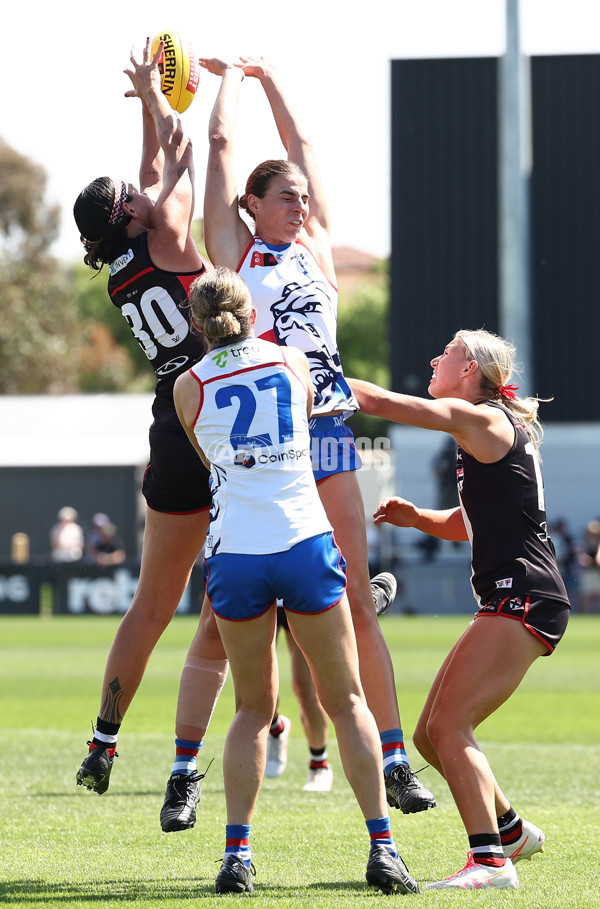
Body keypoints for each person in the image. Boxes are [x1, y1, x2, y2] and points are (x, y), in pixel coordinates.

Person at [197, 54, 435, 814]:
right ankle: (207, 760)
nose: (300, 204)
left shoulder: (317, 248)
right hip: (269, 446)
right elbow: (220, 147)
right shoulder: (236, 255)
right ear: (252, 206)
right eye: (285, 197)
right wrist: (231, 80)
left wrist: (273, 79)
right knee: (247, 620)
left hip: (328, 427)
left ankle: (394, 761)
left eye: (304, 197)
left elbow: (306, 149)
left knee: (358, 598)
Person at [173, 266, 419, 895]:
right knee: (348, 702)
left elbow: (213, 462)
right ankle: (383, 849)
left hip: (236, 552)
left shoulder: (188, 385)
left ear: (198, 324)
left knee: (253, 709)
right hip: (303, 540)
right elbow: (302, 436)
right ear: (252, 314)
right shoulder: (292, 362)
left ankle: (236, 857)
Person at [350, 328, 571, 889]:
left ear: (470, 368)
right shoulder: (485, 426)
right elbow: (471, 520)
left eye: (446, 353)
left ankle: (490, 862)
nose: (434, 359)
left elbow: (389, 405)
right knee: (430, 735)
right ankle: (511, 832)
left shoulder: (484, 419)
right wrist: (417, 518)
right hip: (512, 596)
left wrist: (313, 376)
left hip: (524, 595)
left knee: (450, 726)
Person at [72, 39, 229, 811]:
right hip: (218, 405)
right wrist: (166, 102)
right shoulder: (165, 227)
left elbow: (153, 172)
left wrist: (145, 100)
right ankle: (343, 594)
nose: (142, 188)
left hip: (170, 421)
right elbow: (182, 151)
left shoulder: (123, 265)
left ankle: (103, 738)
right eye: (133, 192)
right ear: (130, 210)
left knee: (151, 602)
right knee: (266, 561)